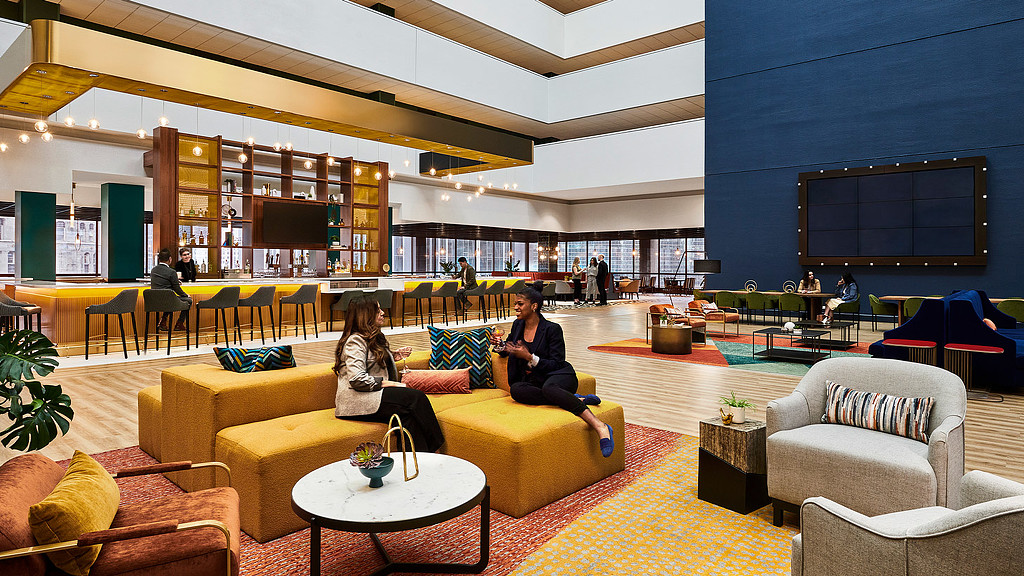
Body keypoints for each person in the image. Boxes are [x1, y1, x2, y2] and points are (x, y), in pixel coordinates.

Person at [488, 288, 614, 457]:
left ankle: (601, 426)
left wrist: (530, 357)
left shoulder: (552, 329)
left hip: (560, 375)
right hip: (535, 380)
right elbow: (510, 348)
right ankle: (575, 399)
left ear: (533, 306)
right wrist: (500, 345)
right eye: (515, 304)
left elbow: (557, 363)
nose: (516, 307)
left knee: (550, 389)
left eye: (520, 304)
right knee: (517, 390)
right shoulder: (518, 324)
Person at [333, 296, 445, 453]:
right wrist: (393, 384)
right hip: (356, 402)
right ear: (366, 314)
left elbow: (371, 361)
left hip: (372, 396)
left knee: (408, 419)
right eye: (377, 310)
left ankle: (415, 461)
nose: (383, 312)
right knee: (415, 397)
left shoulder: (374, 338)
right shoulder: (355, 341)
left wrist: (392, 356)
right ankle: (436, 448)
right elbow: (357, 379)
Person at [150, 248, 192, 331]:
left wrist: (175, 282)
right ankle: (179, 324)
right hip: (168, 301)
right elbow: (177, 289)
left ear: (159, 259)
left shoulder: (153, 270)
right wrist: (186, 295)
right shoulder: (171, 271)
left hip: (154, 301)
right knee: (188, 300)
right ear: (170, 259)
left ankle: (163, 320)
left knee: (169, 298)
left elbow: (163, 284)